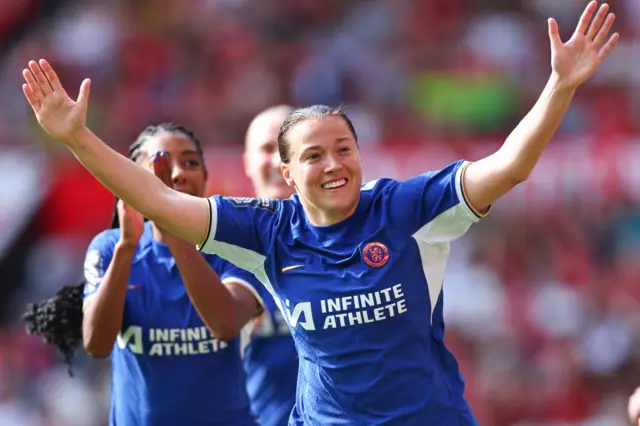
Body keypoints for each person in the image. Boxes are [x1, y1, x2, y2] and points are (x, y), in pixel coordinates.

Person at [20, 2, 618, 424]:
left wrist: (559, 86)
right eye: (313, 155)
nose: (333, 164)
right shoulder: (267, 232)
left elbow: (509, 166)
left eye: (344, 148)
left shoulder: (405, 208)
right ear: (287, 174)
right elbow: (163, 203)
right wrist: (77, 137)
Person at [23, 124, 264, 426]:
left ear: (205, 175)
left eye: (190, 162)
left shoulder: (234, 245)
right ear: (131, 180)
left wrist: (168, 220)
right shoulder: (110, 248)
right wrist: (126, 248)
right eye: (158, 164)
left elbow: (225, 323)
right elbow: (96, 344)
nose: (176, 174)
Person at [242, 105, 298, 426]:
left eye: (286, 148)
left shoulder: (350, 245)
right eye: (266, 149)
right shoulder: (220, 251)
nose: (278, 160)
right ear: (247, 163)